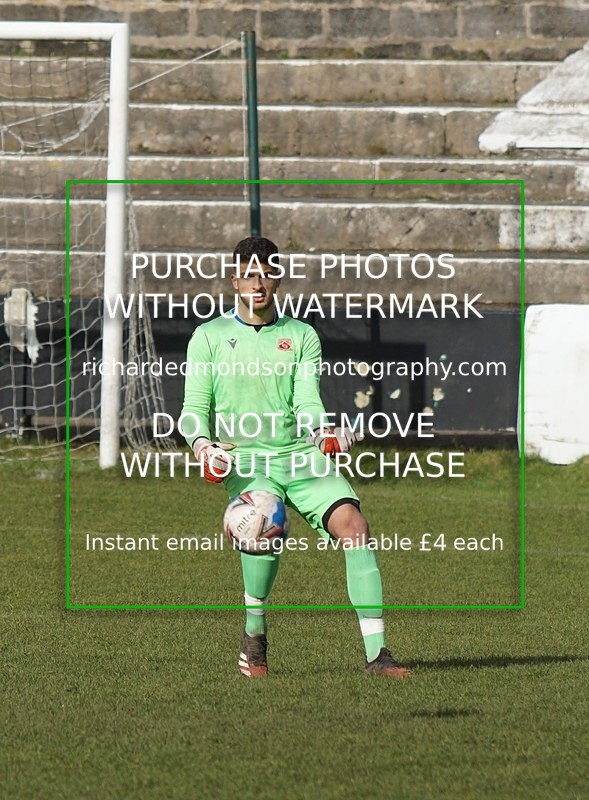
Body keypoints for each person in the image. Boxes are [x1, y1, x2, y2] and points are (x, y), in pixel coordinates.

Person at [181, 236, 410, 678]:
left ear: (277, 278)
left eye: (266, 273)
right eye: (249, 274)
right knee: (264, 530)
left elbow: (307, 400)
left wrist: (322, 431)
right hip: (247, 460)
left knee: (355, 528)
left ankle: (378, 656)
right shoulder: (208, 337)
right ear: (235, 280)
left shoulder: (301, 335)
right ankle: (255, 635)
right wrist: (203, 446)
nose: (258, 283)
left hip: (299, 456)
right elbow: (193, 410)